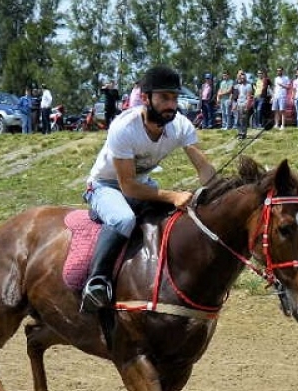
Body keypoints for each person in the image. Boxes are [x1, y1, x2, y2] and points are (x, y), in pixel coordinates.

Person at [80, 65, 217, 312]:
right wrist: (173, 195)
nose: (171, 105)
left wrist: (220, 190)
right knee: (123, 219)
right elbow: (128, 186)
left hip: (142, 185)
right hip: (105, 186)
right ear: (145, 98)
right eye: (164, 97)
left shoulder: (181, 126)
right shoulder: (124, 127)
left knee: (177, 217)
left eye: (174, 98)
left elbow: (204, 170)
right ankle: (96, 283)